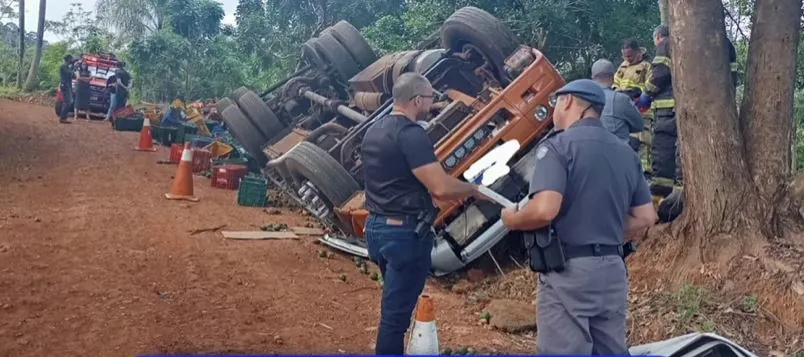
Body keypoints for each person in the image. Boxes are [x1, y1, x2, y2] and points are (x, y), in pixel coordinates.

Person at [500, 79, 657, 355]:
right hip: (612, 269)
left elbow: (545, 209)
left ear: (568, 102)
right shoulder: (625, 152)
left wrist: (512, 219)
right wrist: (605, 229)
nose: (554, 111)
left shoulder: (558, 147)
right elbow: (646, 217)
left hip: (569, 272)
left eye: (556, 103)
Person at [360, 72, 487, 355]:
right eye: (430, 98)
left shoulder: (374, 131)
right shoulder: (411, 134)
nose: (432, 103)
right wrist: (471, 189)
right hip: (404, 235)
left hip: (378, 230)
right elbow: (440, 187)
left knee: (393, 309)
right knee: (394, 319)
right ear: (417, 100)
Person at [639, 24, 677, 198]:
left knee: (663, 150)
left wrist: (646, 92)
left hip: (666, 111)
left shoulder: (665, 45)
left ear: (658, 37)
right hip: (677, 110)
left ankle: (661, 196)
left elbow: (659, 74)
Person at [591, 59, 644, 148]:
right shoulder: (622, 99)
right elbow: (639, 125)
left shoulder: (582, 100)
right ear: (613, 77)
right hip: (619, 155)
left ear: (592, 77)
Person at [58, 55, 76, 124]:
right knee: (68, 101)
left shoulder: (67, 67)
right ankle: (62, 118)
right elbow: (70, 74)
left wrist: (73, 67)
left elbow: (73, 75)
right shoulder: (63, 66)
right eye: (71, 59)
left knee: (68, 101)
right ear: (68, 59)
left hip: (68, 85)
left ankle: (63, 117)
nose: (72, 60)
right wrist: (73, 67)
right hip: (65, 85)